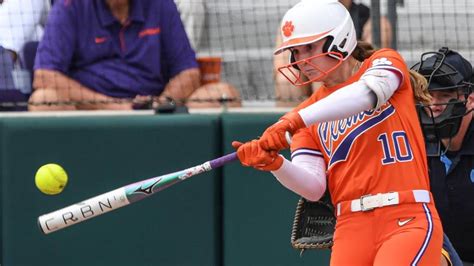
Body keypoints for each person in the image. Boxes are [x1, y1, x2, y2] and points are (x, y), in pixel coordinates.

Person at [232, 1, 443, 264]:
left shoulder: (383, 62)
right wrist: (275, 164)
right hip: (350, 226)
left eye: (309, 47)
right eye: (295, 52)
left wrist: (295, 119)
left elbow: (366, 95)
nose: (301, 60)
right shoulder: (308, 112)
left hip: (405, 215)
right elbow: (313, 187)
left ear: (340, 39)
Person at [29, 0, 201, 111]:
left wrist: (160, 103)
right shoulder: (68, 7)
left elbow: (189, 74)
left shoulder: (161, 5)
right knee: (43, 100)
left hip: (154, 110)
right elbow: (44, 76)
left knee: (220, 93)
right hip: (91, 111)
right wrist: (113, 105)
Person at [412, 47, 474, 265]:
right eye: (427, 96)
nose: (433, 105)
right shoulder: (411, 145)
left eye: (445, 96)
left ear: (470, 99)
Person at [274, 0, 393, 107]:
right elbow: (280, 64)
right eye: (295, 51)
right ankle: (295, 128)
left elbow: (367, 63)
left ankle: (323, 122)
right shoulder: (299, 16)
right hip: (308, 85)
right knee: (287, 82)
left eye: (310, 47)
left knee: (324, 75)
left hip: (350, 79)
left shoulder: (370, 18)